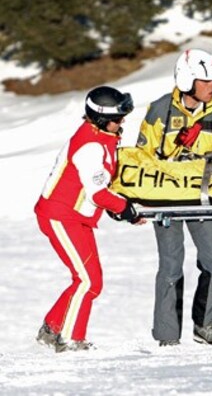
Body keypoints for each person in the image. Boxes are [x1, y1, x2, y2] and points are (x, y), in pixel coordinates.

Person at [136, 48, 212, 347]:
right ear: (188, 80)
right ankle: (168, 337)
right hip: (166, 201)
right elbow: (142, 159)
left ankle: (205, 326)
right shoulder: (159, 110)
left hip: (205, 199)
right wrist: (141, 202)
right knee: (170, 266)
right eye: (207, 82)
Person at [35, 86, 142, 353]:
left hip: (75, 217)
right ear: (102, 120)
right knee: (88, 281)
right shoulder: (91, 146)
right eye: (118, 118)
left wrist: (119, 209)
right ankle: (70, 340)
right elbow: (97, 193)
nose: (122, 122)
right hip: (61, 216)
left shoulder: (102, 137)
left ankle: (53, 328)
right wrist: (126, 210)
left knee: (87, 279)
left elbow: (98, 190)